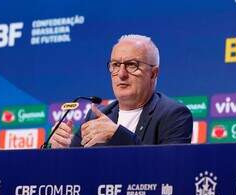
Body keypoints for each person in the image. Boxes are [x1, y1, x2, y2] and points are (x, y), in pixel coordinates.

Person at [50, 34, 193, 148]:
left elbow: (170, 167)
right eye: (116, 65)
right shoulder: (95, 117)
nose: (121, 74)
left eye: (132, 65)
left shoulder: (174, 114)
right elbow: (77, 171)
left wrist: (118, 135)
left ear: (153, 73)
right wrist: (63, 150)